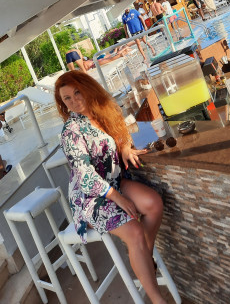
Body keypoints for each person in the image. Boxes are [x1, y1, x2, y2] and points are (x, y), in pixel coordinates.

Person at [55, 71, 167, 304]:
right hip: (91, 197)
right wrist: (117, 197)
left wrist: (124, 147)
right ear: (62, 103)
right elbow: (84, 176)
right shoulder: (71, 131)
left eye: (77, 92)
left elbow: (122, 131)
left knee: (153, 204)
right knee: (135, 232)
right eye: (67, 98)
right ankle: (158, 300)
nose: (75, 100)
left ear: (88, 88)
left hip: (114, 180)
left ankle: (143, 255)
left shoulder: (102, 110)